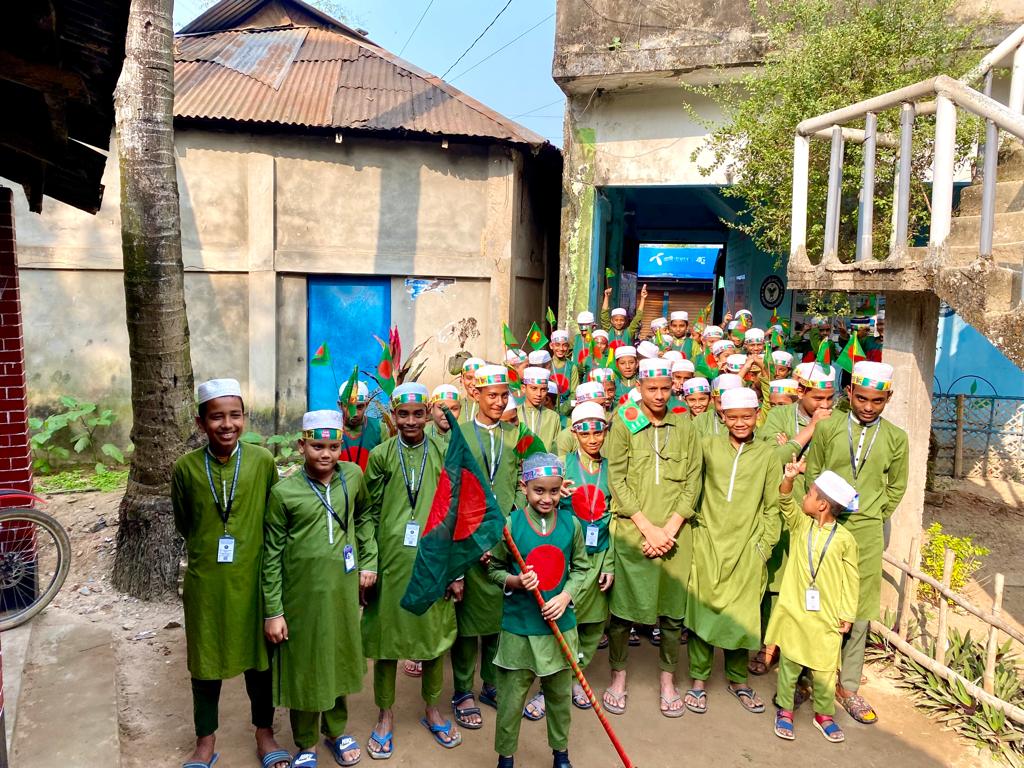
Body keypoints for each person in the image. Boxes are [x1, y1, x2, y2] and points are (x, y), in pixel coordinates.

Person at [172, 378, 290, 768]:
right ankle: (205, 741)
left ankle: (264, 732)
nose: (227, 424)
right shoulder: (186, 469)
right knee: (204, 662)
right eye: (216, 417)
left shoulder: (262, 461)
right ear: (200, 422)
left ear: (245, 417)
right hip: (206, 584)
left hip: (254, 581)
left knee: (261, 661)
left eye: (235, 415)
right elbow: (186, 523)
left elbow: (274, 524)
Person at [263, 410, 372, 768]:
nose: (325, 454)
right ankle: (306, 741)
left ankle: (336, 731)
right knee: (306, 666)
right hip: (301, 597)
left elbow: (365, 516)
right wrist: (274, 611)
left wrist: (368, 560)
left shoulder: (353, 477)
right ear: (301, 445)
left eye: (333, 446)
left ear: (342, 445)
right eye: (317, 446)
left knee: (338, 657)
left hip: (342, 592)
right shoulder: (284, 493)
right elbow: (272, 556)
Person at [806, 361, 908, 725]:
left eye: (877, 401)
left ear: (888, 398)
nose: (867, 407)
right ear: (849, 393)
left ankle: (847, 685)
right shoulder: (830, 428)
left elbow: (896, 486)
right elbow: (814, 472)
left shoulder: (897, 438)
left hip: (866, 531)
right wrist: (819, 513)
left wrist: (876, 514)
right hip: (826, 523)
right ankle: (812, 675)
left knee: (861, 606)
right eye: (861, 398)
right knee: (818, 599)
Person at [362, 384, 461, 757]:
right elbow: (368, 512)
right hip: (389, 564)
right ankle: (384, 715)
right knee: (386, 641)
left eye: (418, 413)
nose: (410, 421)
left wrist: (455, 571)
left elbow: (453, 515)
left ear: (429, 413)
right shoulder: (381, 456)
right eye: (403, 414)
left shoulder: (441, 452)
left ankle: (433, 708)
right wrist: (369, 561)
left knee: (432, 638)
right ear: (393, 415)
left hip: (433, 564)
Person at [603, 358, 703, 718]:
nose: (659, 396)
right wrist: (647, 528)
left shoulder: (685, 424)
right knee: (622, 613)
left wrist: (670, 529)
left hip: (676, 535)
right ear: (640, 388)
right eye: (652, 389)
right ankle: (618, 676)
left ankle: (667, 680)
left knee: (673, 615)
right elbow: (617, 477)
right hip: (634, 533)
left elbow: (694, 479)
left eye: (665, 388)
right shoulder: (624, 422)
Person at [488, 453, 588, 768]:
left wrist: (567, 595)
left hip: (559, 629)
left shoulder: (571, 525)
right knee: (510, 700)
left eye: (554, 491)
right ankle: (505, 757)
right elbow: (493, 569)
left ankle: (561, 754)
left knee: (559, 698)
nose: (546, 498)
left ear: (562, 489)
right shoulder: (510, 525)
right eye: (539, 491)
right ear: (525, 487)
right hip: (519, 629)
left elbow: (582, 569)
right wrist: (515, 580)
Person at [685, 387, 781, 716]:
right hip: (708, 540)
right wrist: (696, 531)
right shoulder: (707, 446)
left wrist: (763, 546)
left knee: (742, 615)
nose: (740, 423)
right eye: (733, 417)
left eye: (747, 416)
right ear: (722, 417)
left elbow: (773, 507)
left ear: (758, 416)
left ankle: (739, 680)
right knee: (703, 609)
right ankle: (698, 680)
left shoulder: (768, 454)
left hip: (747, 546)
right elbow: (690, 486)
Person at [452, 365, 528, 729]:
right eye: (491, 395)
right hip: (469, 539)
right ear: (475, 395)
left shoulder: (519, 435)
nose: (499, 402)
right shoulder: (460, 434)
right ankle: (462, 689)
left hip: (507, 539)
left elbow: (529, 477)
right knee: (468, 620)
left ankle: (492, 684)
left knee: (500, 617)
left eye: (503, 395)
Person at [750, 363, 835, 676]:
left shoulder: (837, 422)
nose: (825, 406)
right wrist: (810, 429)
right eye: (818, 398)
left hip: (819, 513)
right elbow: (774, 458)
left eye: (830, 399)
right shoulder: (778, 416)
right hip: (783, 508)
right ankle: (766, 644)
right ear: (800, 392)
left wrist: (791, 444)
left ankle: (800, 651)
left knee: (811, 582)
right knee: (775, 582)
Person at [769, 462, 859, 744]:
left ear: (822, 505)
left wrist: (847, 613)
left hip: (827, 615)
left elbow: (851, 578)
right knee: (790, 663)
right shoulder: (800, 525)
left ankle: (824, 714)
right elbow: (785, 501)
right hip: (795, 611)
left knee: (824, 668)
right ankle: (785, 709)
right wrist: (789, 478)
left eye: (809, 494)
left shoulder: (845, 539)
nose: (804, 498)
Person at [560, 402, 615, 710]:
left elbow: (616, 518)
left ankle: (576, 675)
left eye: (599, 432)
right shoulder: (563, 464)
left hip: (599, 554)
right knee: (567, 621)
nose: (593, 440)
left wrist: (610, 564)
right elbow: (536, 496)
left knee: (593, 624)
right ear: (575, 433)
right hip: (568, 559)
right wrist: (557, 494)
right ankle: (558, 681)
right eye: (586, 434)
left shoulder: (611, 468)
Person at [339, 381, 383, 470]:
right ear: (340, 405)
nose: (354, 413)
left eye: (359, 407)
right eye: (349, 407)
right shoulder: (332, 429)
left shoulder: (379, 428)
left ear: (366, 405)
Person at [553, 382, 607, 456]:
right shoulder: (566, 437)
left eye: (602, 405)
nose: (598, 408)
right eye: (591, 405)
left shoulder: (614, 429)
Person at [518, 367, 561, 451]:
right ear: (523, 388)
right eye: (534, 388)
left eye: (543, 390)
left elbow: (556, 449)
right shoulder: (514, 414)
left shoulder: (553, 417)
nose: (539, 394)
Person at [549, 330, 580, 419]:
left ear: (568, 347)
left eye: (564, 345)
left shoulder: (571, 366)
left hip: (567, 413)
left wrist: (563, 410)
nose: (561, 349)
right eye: (557, 345)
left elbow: (574, 393)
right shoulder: (546, 365)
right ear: (551, 346)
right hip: (549, 410)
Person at [459, 358, 486, 424]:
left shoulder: (493, 405)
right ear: (462, 379)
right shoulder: (457, 407)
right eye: (469, 378)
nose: (474, 383)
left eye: (477, 378)